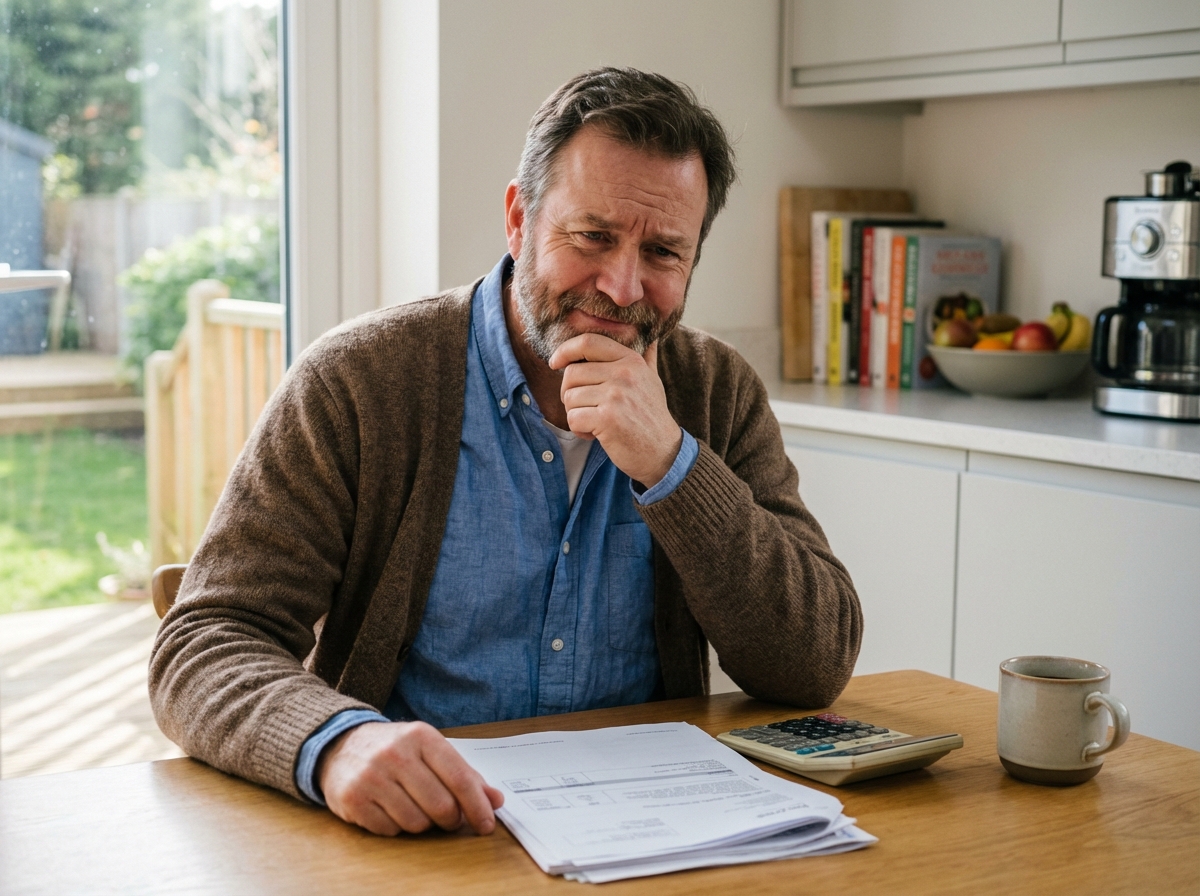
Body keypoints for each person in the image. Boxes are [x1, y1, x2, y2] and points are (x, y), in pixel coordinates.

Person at [149, 67, 862, 840]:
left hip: (653, 839)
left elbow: (813, 663)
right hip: (420, 837)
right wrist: (335, 744)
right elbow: (204, 643)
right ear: (519, 220)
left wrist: (673, 463)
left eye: (663, 252)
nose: (623, 287)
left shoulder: (717, 390)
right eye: (592, 237)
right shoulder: (358, 381)